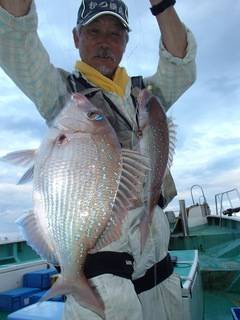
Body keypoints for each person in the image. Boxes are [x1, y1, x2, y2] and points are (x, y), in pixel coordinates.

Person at [0, 0, 197, 319]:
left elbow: (181, 64)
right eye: (94, 31)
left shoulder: (145, 98)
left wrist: (161, 4)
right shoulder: (60, 94)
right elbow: (15, 38)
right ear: (76, 37)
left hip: (161, 280)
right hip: (104, 290)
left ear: (126, 42)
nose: (105, 41)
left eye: (115, 33)